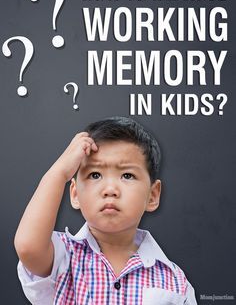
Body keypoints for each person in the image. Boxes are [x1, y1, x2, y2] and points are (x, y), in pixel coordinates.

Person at [15, 117, 197, 304]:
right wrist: (60, 172)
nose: (110, 189)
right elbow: (28, 247)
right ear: (75, 194)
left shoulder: (175, 280)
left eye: (127, 175)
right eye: (95, 175)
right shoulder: (63, 257)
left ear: (153, 195)